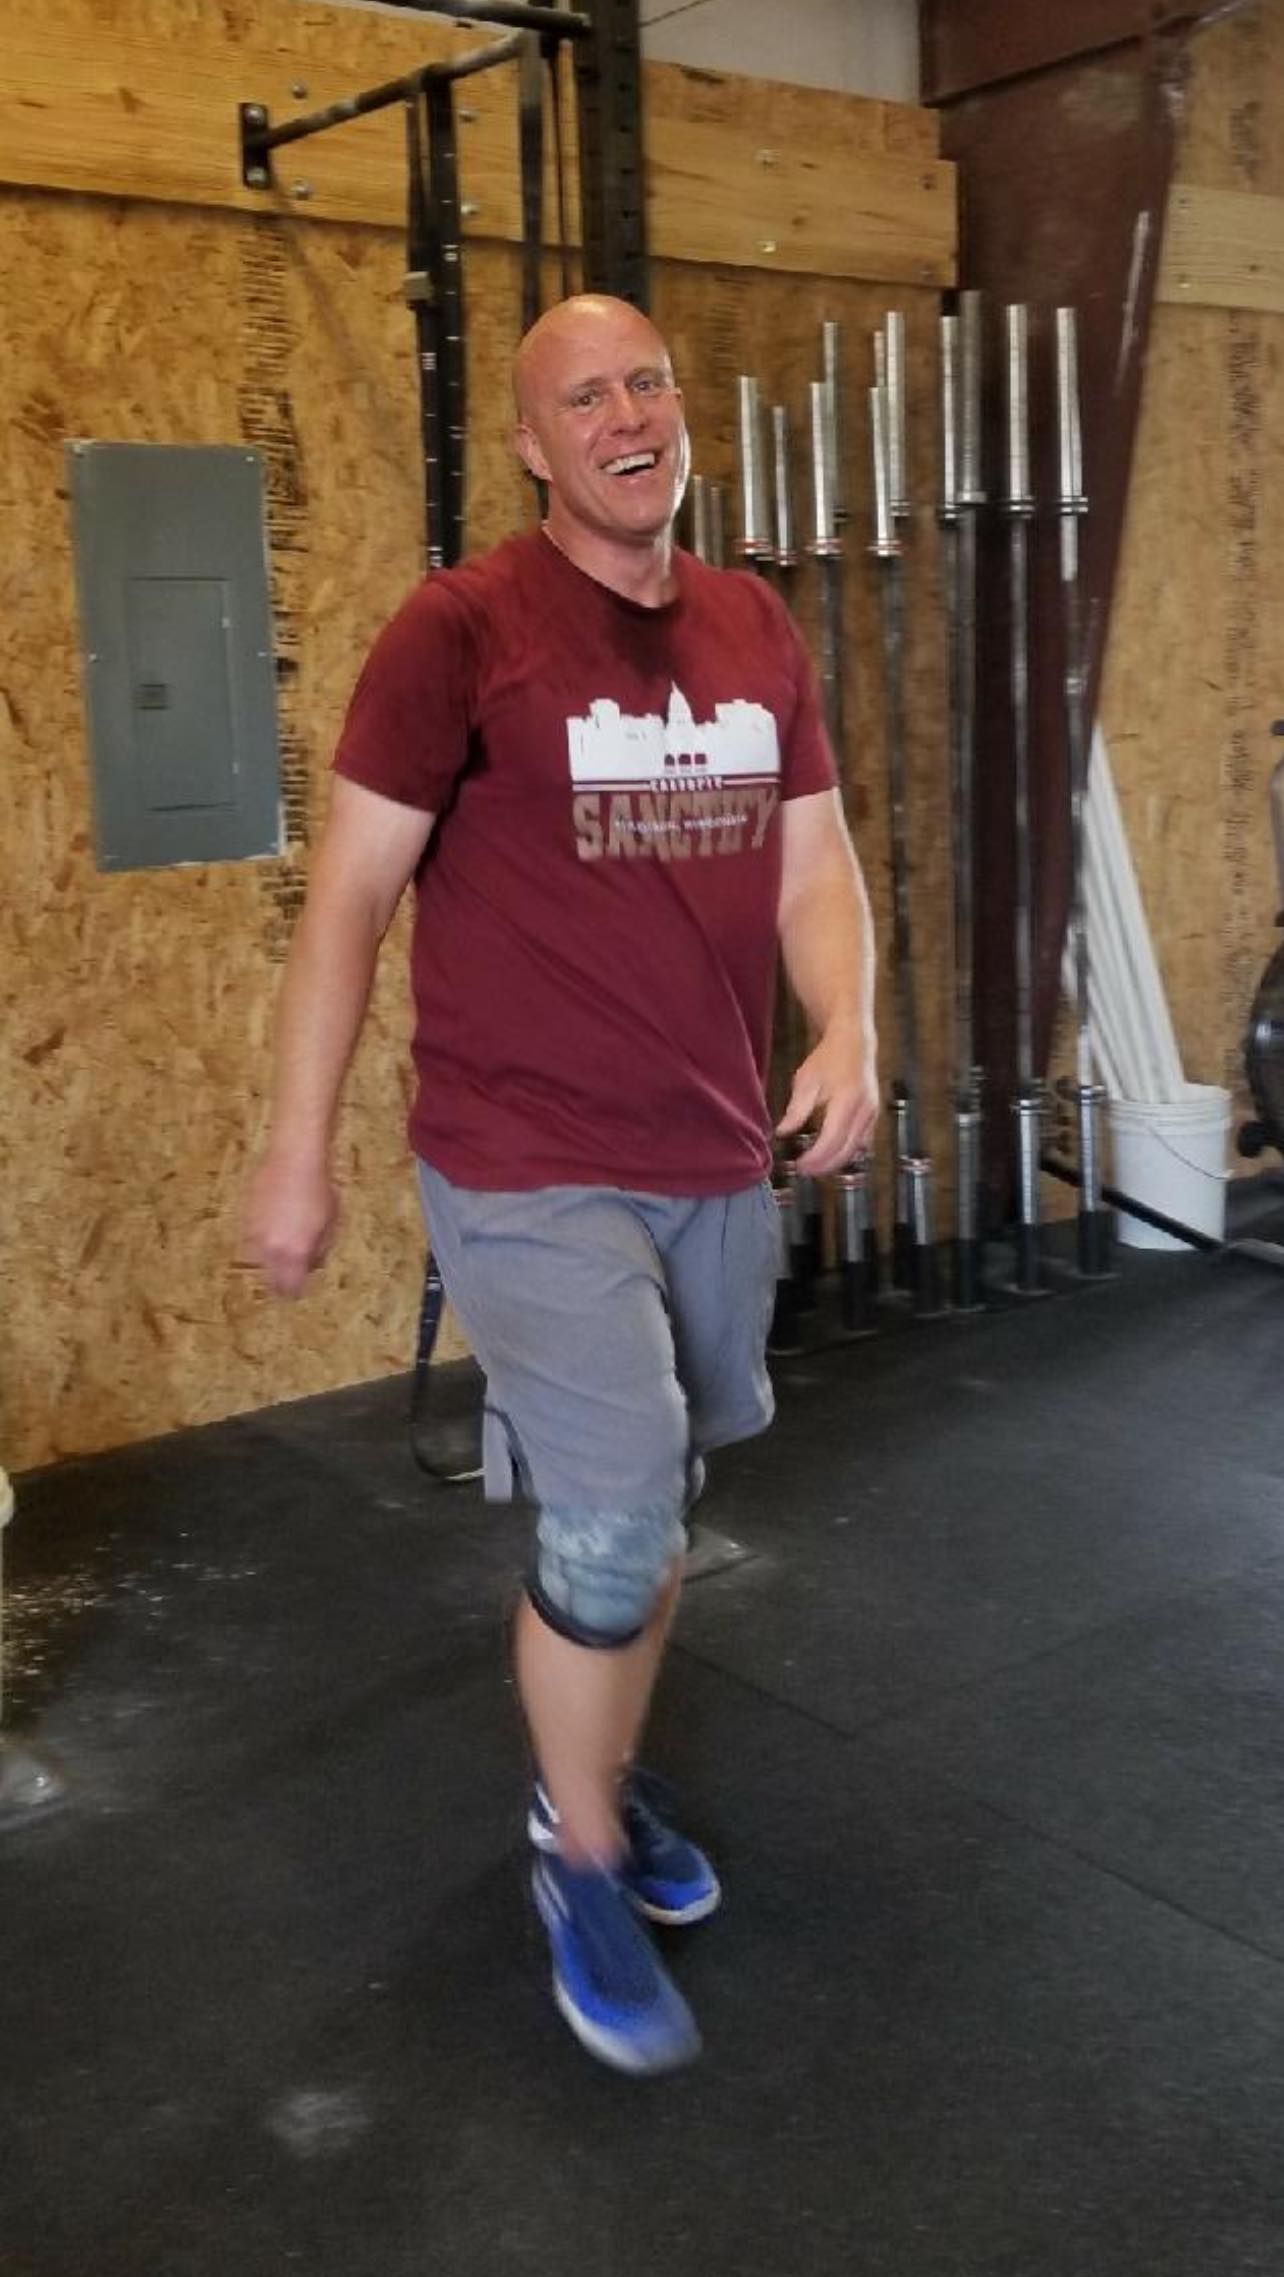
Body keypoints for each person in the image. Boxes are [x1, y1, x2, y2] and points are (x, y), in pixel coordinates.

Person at [244, 293, 879, 2076]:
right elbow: (350, 901)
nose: (625, 417)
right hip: (522, 1156)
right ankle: (580, 1857)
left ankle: (586, 1766)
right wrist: (296, 1152)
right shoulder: (461, 631)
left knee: (656, 1496)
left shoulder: (755, 626)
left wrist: (848, 1027)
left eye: (645, 383)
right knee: (612, 1511)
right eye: (583, 397)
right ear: (532, 445)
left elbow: (814, 864)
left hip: (711, 1149)